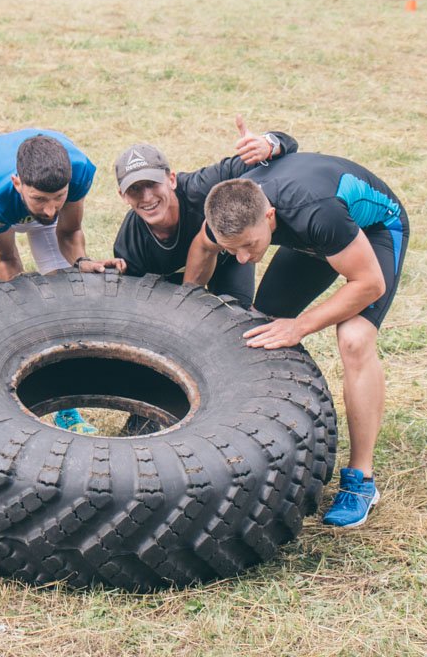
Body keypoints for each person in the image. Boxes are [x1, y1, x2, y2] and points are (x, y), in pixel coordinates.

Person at [185, 153, 408, 528]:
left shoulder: (316, 213)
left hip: (376, 229)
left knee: (353, 338)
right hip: (313, 238)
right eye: (232, 249)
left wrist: (301, 325)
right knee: (263, 325)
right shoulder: (230, 212)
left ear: (269, 217)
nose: (241, 259)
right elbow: (201, 247)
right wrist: (187, 303)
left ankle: (361, 480)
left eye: (248, 246)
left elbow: (370, 284)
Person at [0, 129, 121, 434]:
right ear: (17, 183)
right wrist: (26, 316)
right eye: (40, 200)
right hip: (0, 213)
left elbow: (68, 232)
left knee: (64, 300)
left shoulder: (77, 173)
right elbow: (8, 260)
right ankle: (4, 404)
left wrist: (81, 262)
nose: (50, 210)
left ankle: (65, 410)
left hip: (35, 209)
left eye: (58, 198)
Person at [112, 116, 297, 308]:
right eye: (134, 189)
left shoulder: (204, 186)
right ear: (122, 195)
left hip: (228, 258)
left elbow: (285, 150)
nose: (147, 197)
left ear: (172, 180)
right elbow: (132, 306)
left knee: (236, 314)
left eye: (152, 184)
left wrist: (269, 144)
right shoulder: (129, 242)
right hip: (169, 283)